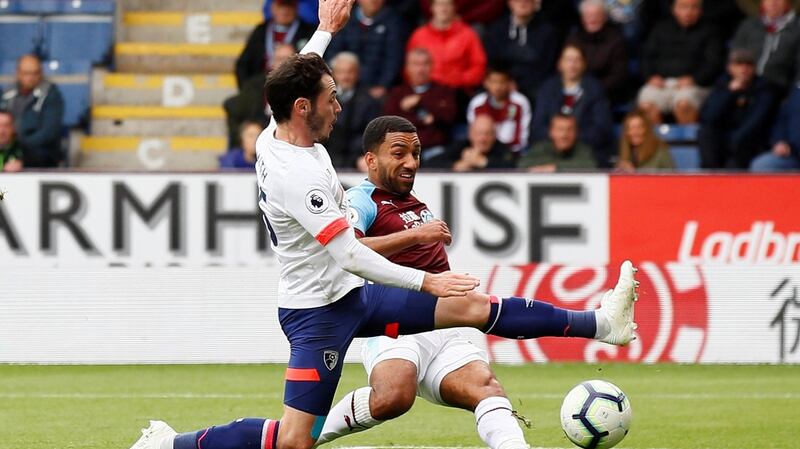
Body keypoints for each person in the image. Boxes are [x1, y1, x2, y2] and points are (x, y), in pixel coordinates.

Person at [128, 3, 638, 449]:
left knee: (471, 306)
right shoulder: (296, 173)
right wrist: (426, 278)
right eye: (331, 96)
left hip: (353, 296)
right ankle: (173, 444)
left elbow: (294, 75)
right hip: (317, 314)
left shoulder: (277, 128)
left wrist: (326, 29)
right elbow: (348, 253)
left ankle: (601, 324)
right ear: (304, 108)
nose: (339, 104)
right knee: (293, 440)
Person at [314, 114, 634, 449]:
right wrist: (417, 235)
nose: (411, 162)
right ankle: (301, 439)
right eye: (399, 153)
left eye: (416, 153)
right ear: (370, 159)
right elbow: (349, 249)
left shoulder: (407, 200)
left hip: (444, 327)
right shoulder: (361, 199)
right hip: (396, 325)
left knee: (485, 388)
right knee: (393, 397)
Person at [637, 0, 724, 125]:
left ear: (700, 10)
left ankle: (688, 144)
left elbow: (714, 63)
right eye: (684, 7)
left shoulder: (711, 32)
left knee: (684, 104)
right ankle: (656, 144)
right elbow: (646, 57)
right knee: (646, 105)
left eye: (694, 7)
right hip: (662, 84)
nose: (688, 12)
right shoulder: (660, 29)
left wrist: (694, 79)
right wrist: (650, 77)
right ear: (674, 9)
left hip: (695, 85)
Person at [531, 44, 613, 167]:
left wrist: (570, 138)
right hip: (550, 149)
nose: (572, 65)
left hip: (587, 149)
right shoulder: (547, 88)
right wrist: (558, 138)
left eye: (577, 60)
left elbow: (601, 129)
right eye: (568, 59)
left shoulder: (595, 89)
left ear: (584, 64)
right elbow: (538, 127)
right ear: (560, 64)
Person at [698, 48, 776, 169]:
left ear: (754, 68)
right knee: (706, 132)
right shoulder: (721, 85)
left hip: (748, 142)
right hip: (723, 142)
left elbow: (757, 121)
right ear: (730, 67)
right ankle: (709, 176)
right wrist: (729, 92)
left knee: (739, 150)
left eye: (748, 65)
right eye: (739, 64)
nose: (744, 69)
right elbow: (709, 117)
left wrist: (735, 140)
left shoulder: (764, 89)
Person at [383, 48, 457, 163]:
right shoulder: (397, 94)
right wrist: (428, 118)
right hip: (402, 151)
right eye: (416, 64)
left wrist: (420, 101)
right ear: (407, 68)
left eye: (425, 64)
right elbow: (388, 123)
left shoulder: (443, 91)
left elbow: (449, 117)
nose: (420, 69)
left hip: (434, 150)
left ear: (432, 67)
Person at [327, 0, 405, 99]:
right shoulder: (346, 17)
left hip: (375, 85)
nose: (373, 1)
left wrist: (383, 85)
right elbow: (333, 51)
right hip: (345, 80)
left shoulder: (393, 21)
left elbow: (393, 58)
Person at [225, 43, 298, 148]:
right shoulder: (255, 86)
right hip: (262, 138)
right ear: (272, 63)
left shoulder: (306, 88)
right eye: (279, 59)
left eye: (287, 59)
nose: (283, 64)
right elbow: (232, 105)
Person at [483, 0, 559, 101]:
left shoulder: (548, 32)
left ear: (535, 4)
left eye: (527, 0)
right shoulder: (497, 30)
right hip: (501, 82)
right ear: (510, 3)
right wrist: (506, 82)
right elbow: (492, 62)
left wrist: (520, 85)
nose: (522, 3)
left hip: (534, 85)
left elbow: (547, 67)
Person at [406, 0, 487, 91]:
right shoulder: (419, 36)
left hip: (458, 90)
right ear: (432, 7)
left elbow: (478, 66)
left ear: (454, 7)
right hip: (425, 90)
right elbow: (409, 67)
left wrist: (460, 80)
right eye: (439, 4)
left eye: (448, 4)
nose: (443, 8)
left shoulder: (468, 34)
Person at [0, 54, 64, 168]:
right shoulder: (6, 94)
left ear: (41, 73)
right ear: (18, 73)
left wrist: (19, 147)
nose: (30, 78)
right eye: (26, 73)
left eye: (34, 73)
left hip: (37, 153)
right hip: (7, 148)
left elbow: (48, 133)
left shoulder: (51, 95)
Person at [237, 0, 316, 89]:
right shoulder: (261, 30)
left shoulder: (308, 31)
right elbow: (243, 64)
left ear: (296, 8)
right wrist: (246, 90)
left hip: (295, 85)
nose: (285, 11)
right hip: (262, 86)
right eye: (281, 6)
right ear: (273, 8)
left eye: (289, 6)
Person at [731, 0, 800, 95]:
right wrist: (739, 75)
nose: (773, 3)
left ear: (788, 2)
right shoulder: (749, 24)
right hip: (742, 82)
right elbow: (734, 55)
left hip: (777, 88)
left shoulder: (797, 28)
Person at [566, 0, 629, 105]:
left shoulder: (616, 39)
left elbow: (618, 75)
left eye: (596, 15)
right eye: (588, 15)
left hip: (606, 92)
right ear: (582, 18)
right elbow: (564, 66)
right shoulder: (574, 38)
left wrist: (593, 89)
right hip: (576, 88)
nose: (592, 19)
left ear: (604, 17)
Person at [326, 52, 381, 170]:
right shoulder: (323, 100)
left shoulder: (369, 101)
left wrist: (356, 158)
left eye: (350, 72)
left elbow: (371, 134)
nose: (345, 77)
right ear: (333, 74)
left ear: (357, 74)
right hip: (328, 155)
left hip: (357, 157)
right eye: (341, 72)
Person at [466, 66, 532, 153]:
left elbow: (523, 134)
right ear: (485, 83)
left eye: (502, 82)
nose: (497, 87)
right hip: (484, 151)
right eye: (493, 82)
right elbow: (473, 133)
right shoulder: (477, 104)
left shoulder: (520, 103)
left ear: (509, 83)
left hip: (512, 152)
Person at [519, 113, 596, 172]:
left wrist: (556, 168)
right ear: (551, 132)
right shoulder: (540, 148)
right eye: (560, 129)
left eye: (569, 130)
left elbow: (590, 166)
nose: (564, 135)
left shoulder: (583, 149)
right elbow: (523, 165)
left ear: (576, 132)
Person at [750, 83, 800, 171]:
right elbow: (783, 119)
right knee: (763, 165)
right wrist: (779, 141)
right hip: (793, 154)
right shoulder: (797, 90)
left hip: (795, 150)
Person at [448, 114, 516, 171]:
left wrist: (483, 161)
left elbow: (513, 165)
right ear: (470, 134)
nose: (482, 139)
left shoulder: (501, 148)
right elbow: (438, 161)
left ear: (494, 135)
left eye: (487, 134)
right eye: (478, 133)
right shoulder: (461, 146)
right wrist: (456, 165)